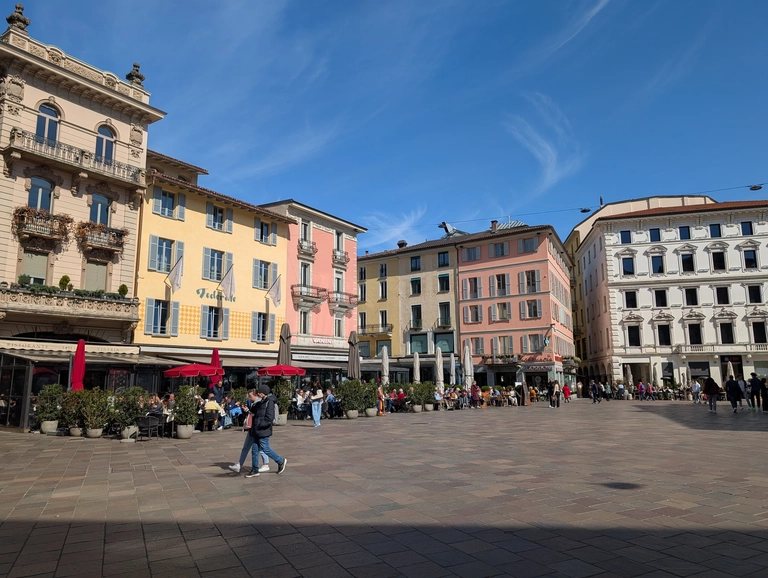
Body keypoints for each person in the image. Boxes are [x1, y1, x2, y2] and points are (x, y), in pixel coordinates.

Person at [246, 384, 287, 478]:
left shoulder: (269, 402)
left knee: (265, 448)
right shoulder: (262, 401)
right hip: (257, 429)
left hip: (263, 430)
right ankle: (255, 469)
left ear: (263, 393)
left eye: (259, 392)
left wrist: (260, 425)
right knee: (255, 450)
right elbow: (257, 413)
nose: (258, 394)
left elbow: (269, 418)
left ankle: (280, 461)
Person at [228, 390, 270, 474]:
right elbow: (252, 414)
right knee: (253, 447)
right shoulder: (254, 402)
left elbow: (256, 415)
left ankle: (270, 463)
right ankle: (240, 465)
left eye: (250, 396)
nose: (249, 398)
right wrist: (246, 410)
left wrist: (247, 411)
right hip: (253, 428)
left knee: (260, 448)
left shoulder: (259, 403)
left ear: (256, 395)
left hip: (256, 429)